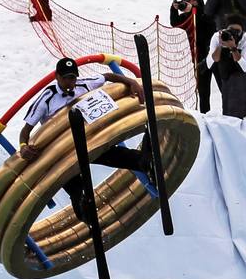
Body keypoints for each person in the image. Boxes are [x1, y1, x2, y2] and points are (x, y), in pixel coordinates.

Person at [18, 58, 149, 221]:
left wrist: (131, 82)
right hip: (63, 153)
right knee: (76, 189)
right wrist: (23, 146)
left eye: (72, 78)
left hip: (88, 142)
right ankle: (86, 216)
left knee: (122, 157)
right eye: (65, 78)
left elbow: (108, 76)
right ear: (57, 77)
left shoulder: (84, 84)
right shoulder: (46, 99)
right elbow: (25, 131)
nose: (69, 82)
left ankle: (147, 163)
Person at [170, 0, 214, 113]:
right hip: (198, 57)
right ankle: (205, 115)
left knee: (223, 86)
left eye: (194, 0)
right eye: (189, 0)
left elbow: (208, 21)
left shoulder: (205, 13)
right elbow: (175, 23)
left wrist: (195, 11)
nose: (192, 3)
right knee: (203, 90)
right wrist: (174, 8)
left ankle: (229, 115)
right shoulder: (187, 17)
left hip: (212, 54)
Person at [204, 15, 246, 119]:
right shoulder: (218, 36)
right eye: (231, 30)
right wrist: (220, 45)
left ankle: (244, 116)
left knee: (239, 94)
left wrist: (233, 48)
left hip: (244, 68)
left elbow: (245, 67)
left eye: (238, 31)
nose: (234, 33)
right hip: (222, 67)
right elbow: (211, 62)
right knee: (227, 95)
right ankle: (231, 118)